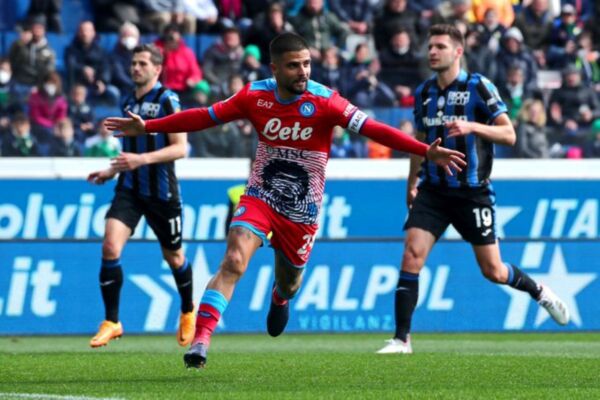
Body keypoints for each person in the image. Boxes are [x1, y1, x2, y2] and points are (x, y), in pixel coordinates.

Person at [105, 32, 466, 369]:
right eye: (294, 66)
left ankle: (279, 296)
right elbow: (205, 116)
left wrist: (424, 151)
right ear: (274, 68)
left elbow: (374, 128)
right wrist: (149, 126)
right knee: (233, 259)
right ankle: (201, 341)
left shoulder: (326, 101)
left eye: (307, 64)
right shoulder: (254, 96)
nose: (303, 72)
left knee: (290, 281)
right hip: (260, 195)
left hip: (302, 209)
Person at [376, 24, 570, 355]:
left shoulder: (479, 86)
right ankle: (401, 339)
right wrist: (412, 183)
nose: (432, 51)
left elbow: (509, 134)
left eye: (440, 46)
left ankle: (539, 291)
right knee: (411, 254)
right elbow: (420, 142)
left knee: (493, 270)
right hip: (433, 191)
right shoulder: (424, 92)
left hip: (472, 192)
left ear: (458, 51)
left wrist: (472, 126)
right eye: (430, 46)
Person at [87, 44, 194, 349]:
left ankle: (188, 311)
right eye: (134, 63)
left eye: (142, 63)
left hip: (162, 192)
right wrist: (111, 170)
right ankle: (112, 321)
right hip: (130, 188)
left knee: (174, 257)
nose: (136, 68)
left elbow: (180, 148)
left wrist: (141, 160)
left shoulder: (168, 100)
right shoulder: (127, 100)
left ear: (157, 69)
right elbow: (129, 151)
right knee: (110, 246)